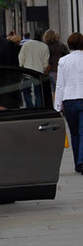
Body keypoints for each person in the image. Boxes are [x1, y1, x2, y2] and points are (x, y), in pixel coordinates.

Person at [54, 32, 83, 174]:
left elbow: (60, 85)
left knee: (75, 133)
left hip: (69, 99)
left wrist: (57, 106)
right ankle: (81, 160)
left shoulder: (63, 61)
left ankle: (78, 161)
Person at [18, 28, 49, 108]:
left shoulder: (26, 44)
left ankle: (29, 106)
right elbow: (46, 63)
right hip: (38, 73)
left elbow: (21, 58)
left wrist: (21, 66)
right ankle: (38, 108)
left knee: (26, 91)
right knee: (38, 92)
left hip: (27, 72)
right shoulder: (44, 47)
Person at [43, 29, 69, 97]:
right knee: (62, 88)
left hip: (51, 70)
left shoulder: (46, 47)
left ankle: (55, 103)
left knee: (54, 89)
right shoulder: (62, 46)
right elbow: (67, 55)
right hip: (62, 69)